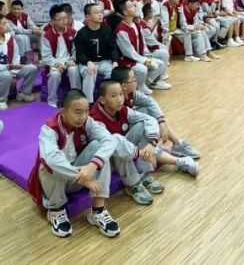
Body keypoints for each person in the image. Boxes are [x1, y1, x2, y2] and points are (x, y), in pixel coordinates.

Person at [29, 90, 123, 237]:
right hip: (56, 182)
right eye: (78, 112)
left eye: (86, 111)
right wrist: (84, 179)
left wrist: (93, 165)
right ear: (63, 112)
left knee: (100, 149)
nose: (83, 117)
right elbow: (51, 160)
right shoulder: (49, 129)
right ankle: (56, 210)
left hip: (80, 176)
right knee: (46, 163)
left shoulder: (87, 122)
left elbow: (110, 140)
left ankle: (98, 211)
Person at [90, 79, 197, 200]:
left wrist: (152, 143)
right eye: (114, 96)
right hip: (105, 159)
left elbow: (148, 119)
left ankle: (144, 174)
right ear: (102, 99)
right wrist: (140, 153)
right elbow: (114, 144)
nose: (120, 99)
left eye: (120, 94)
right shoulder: (95, 118)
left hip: (126, 148)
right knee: (118, 142)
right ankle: (132, 185)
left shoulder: (122, 108)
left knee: (143, 125)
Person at [111, 66, 200, 159]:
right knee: (145, 121)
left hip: (127, 131)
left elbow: (150, 102)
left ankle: (177, 144)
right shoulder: (114, 102)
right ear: (124, 86)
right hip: (121, 142)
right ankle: (154, 152)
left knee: (149, 111)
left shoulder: (131, 94)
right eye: (133, 79)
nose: (136, 80)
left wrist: (161, 122)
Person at [111, 0, 169, 94]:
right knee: (142, 69)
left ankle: (148, 82)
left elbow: (143, 43)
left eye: (134, 6)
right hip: (127, 60)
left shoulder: (136, 25)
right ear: (125, 12)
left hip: (140, 57)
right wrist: (143, 60)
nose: (135, 8)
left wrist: (147, 56)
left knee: (160, 64)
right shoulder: (121, 29)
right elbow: (128, 52)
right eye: (131, 7)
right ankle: (140, 86)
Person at [41, 5, 82, 107]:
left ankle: (76, 98)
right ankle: (52, 101)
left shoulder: (73, 32)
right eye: (61, 19)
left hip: (68, 60)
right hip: (54, 62)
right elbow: (46, 57)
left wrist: (73, 60)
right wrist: (56, 64)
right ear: (53, 21)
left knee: (73, 70)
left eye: (65, 18)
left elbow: (76, 50)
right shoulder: (47, 35)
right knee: (55, 74)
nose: (65, 21)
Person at [0, 16, 39, 108]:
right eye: (4, 24)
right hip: (2, 71)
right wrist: (8, 68)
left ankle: (23, 93)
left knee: (32, 68)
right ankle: (1, 100)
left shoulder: (9, 37)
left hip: (10, 68)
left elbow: (16, 55)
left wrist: (14, 70)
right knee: (6, 75)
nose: (7, 26)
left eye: (7, 23)